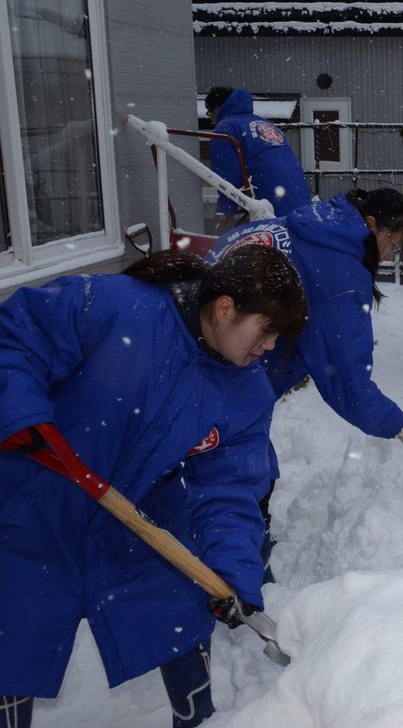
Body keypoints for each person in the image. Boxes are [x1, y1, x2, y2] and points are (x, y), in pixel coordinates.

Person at [0, 246, 307, 728]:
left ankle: (198, 720)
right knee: (13, 639)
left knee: (178, 608)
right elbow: (14, 337)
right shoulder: (112, 306)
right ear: (225, 308)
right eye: (266, 330)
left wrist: (233, 567)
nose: (269, 348)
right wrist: (18, 410)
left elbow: (227, 490)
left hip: (134, 528)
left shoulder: (246, 393)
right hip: (31, 507)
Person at [206, 187, 403, 550]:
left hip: (206, 345)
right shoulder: (340, 274)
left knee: (236, 466)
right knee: (240, 475)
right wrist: (390, 420)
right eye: (392, 244)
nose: (391, 256)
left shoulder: (312, 226)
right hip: (226, 364)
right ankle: (241, 571)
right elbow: (345, 377)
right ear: (370, 225)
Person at [204, 86, 312, 229]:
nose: (211, 119)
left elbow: (227, 178)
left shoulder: (225, 129)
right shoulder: (264, 123)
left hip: (270, 202)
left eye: (209, 113)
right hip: (299, 195)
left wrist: (225, 213)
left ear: (216, 109)